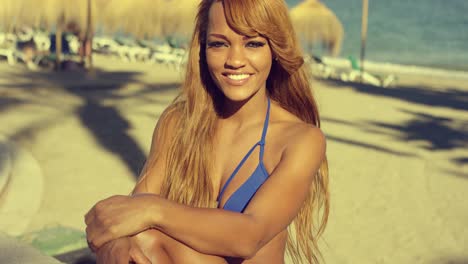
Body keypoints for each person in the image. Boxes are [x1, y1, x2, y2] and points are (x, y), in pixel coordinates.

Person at [85, 0, 329, 263]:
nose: (235, 60)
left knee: (147, 238)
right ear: (202, 50)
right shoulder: (178, 122)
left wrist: (153, 210)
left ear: (275, 49)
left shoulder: (300, 140)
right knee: (139, 242)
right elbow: (130, 215)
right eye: (219, 44)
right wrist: (114, 245)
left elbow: (249, 236)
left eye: (253, 44)